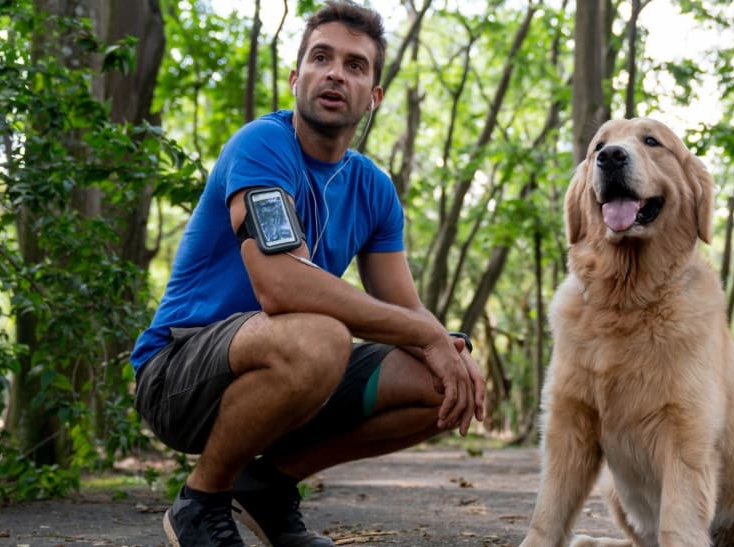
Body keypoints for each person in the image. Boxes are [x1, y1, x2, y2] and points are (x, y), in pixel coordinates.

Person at [129, 2, 486, 545]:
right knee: (320, 335)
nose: (336, 73)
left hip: (290, 366)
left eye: (356, 65)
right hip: (178, 370)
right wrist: (425, 334)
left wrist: (446, 345)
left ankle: (267, 485)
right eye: (321, 58)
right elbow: (282, 284)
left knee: (447, 380)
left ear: (375, 97)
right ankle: (201, 502)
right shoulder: (262, 146)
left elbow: (405, 309)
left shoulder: (374, 190)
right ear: (297, 78)